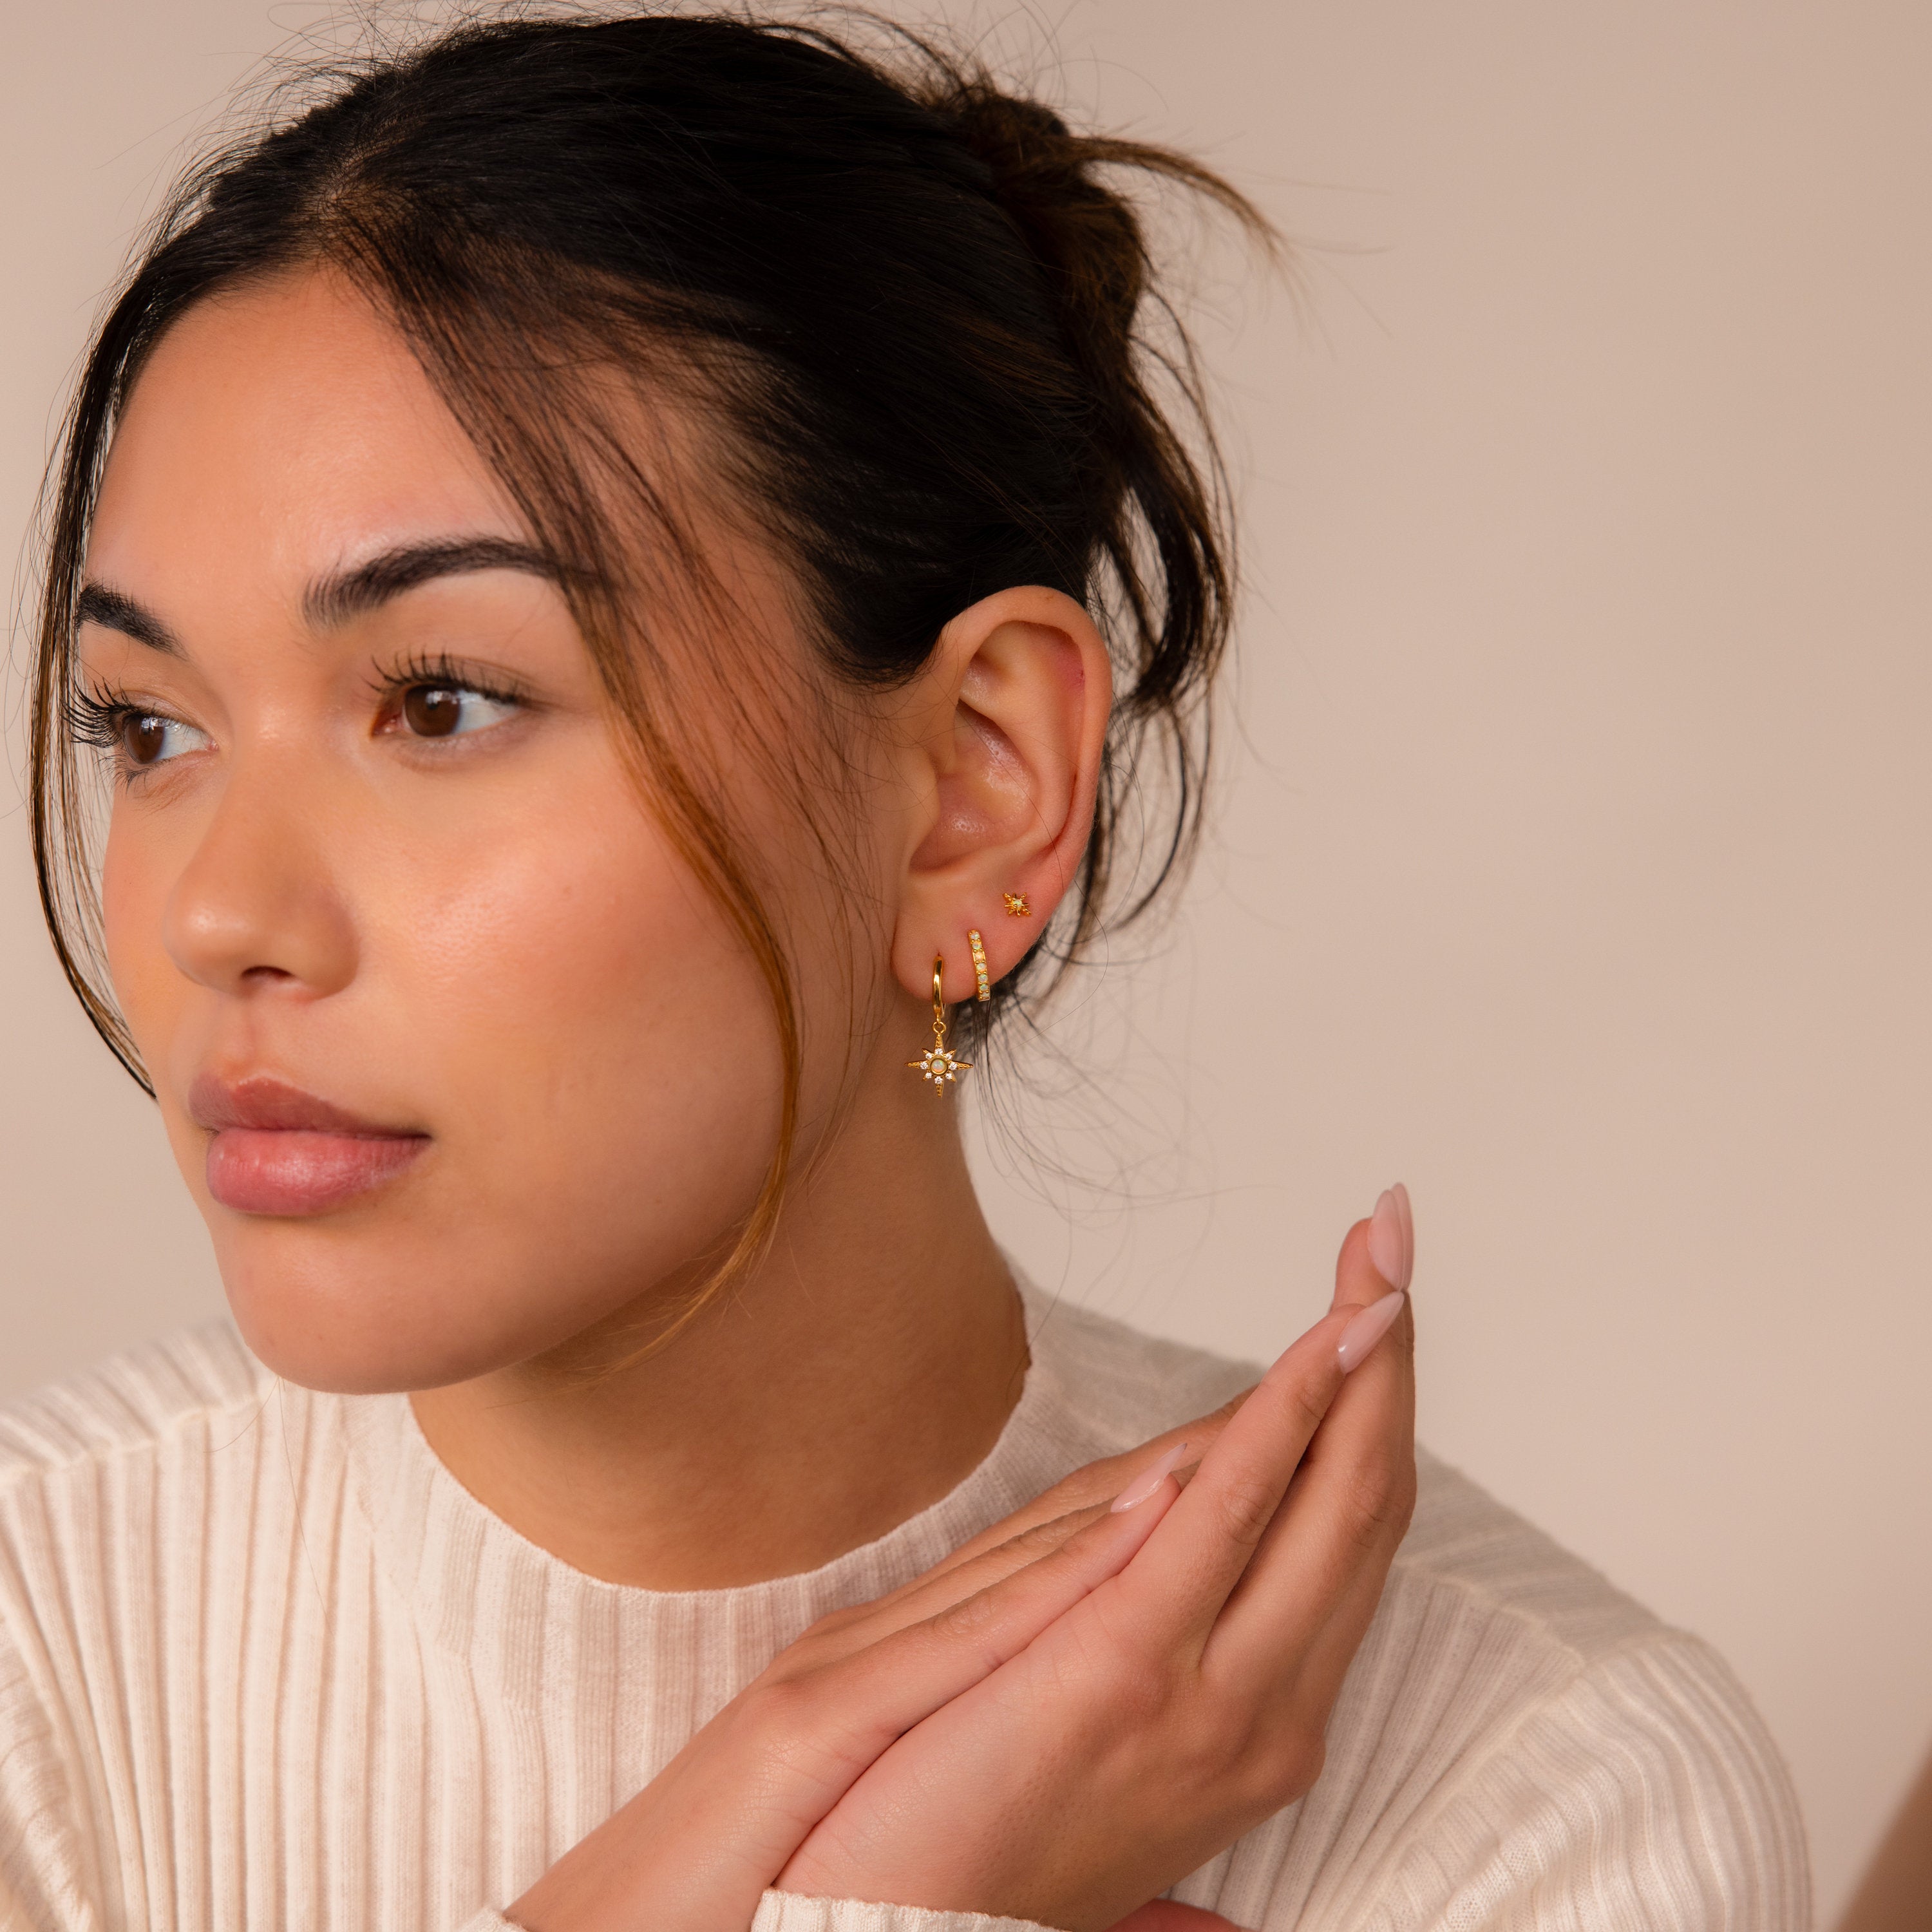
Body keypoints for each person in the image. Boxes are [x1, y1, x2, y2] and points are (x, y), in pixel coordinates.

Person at [2, 12, 1808, 1929]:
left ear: (971, 792)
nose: (213, 917)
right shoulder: (44, 1638)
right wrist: (826, 1870)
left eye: (440, 700)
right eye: (148, 727)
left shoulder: (1530, 1799)